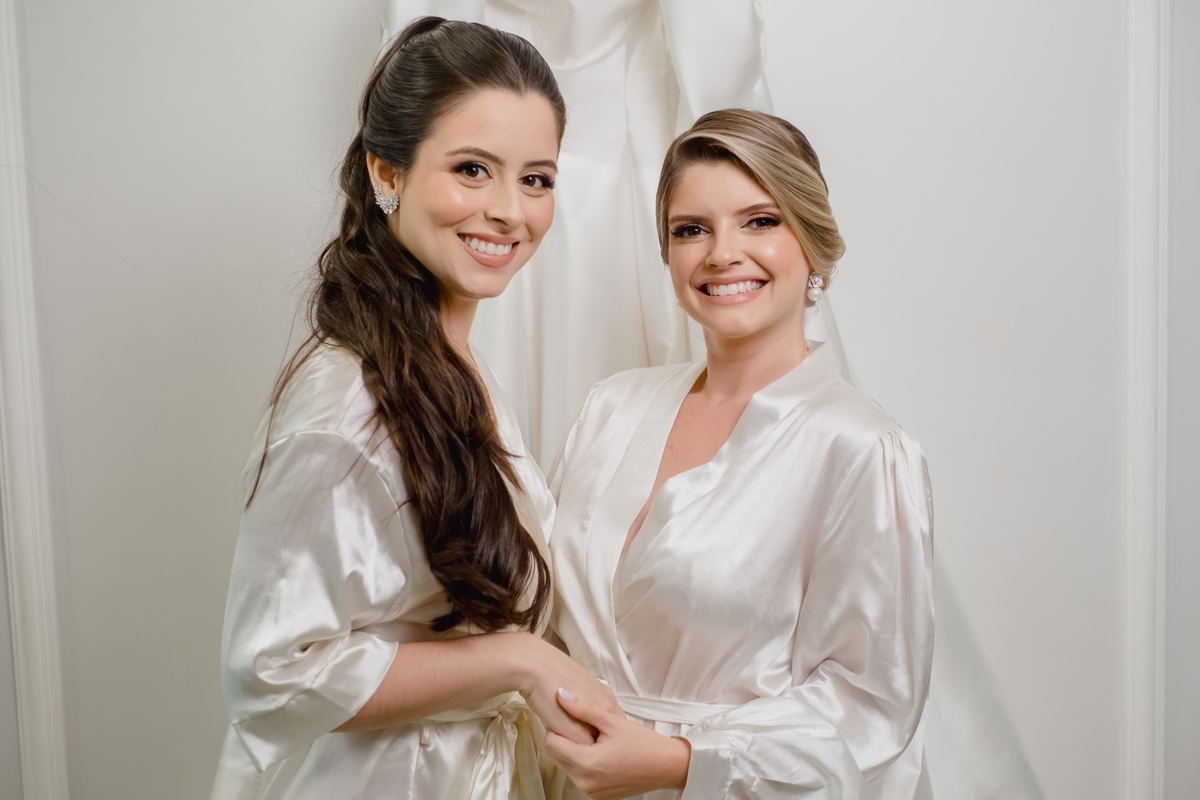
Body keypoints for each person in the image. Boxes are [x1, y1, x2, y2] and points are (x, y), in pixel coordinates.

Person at [215, 16, 616, 800]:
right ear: (386, 173)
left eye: (536, 179)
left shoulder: (449, 364)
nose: (510, 210)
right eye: (472, 169)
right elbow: (269, 676)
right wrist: (517, 660)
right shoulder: (346, 406)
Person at [543, 109, 935, 799]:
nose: (722, 253)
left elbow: (871, 708)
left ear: (811, 241)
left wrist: (680, 762)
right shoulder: (610, 408)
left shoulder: (861, 450)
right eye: (691, 229)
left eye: (760, 221)